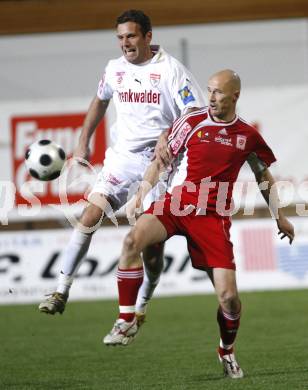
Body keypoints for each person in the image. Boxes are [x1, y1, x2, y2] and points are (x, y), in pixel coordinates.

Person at [103, 69, 295, 379]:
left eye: (219, 92)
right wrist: (140, 194)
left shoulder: (247, 135)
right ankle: (126, 319)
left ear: (235, 96)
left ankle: (227, 351)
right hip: (176, 204)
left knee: (229, 299)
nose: (212, 97)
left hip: (212, 218)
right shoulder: (192, 122)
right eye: (210, 91)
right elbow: (160, 160)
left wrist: (280, 216)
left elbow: (263, 176)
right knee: (131, 242)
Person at [38, 9, 205, 315]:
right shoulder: (114, 69)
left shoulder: (171, 70)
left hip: (159, 166)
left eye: (131, 36)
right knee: (89, 216)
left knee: (151, 249)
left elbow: (195, 113)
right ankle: (60, 292)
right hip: (122, 160)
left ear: (148, 36)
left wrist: (167, 134)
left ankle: (141, 304)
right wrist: (83, 139)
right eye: (120, 37)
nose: (125, 43)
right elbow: (100, 99)